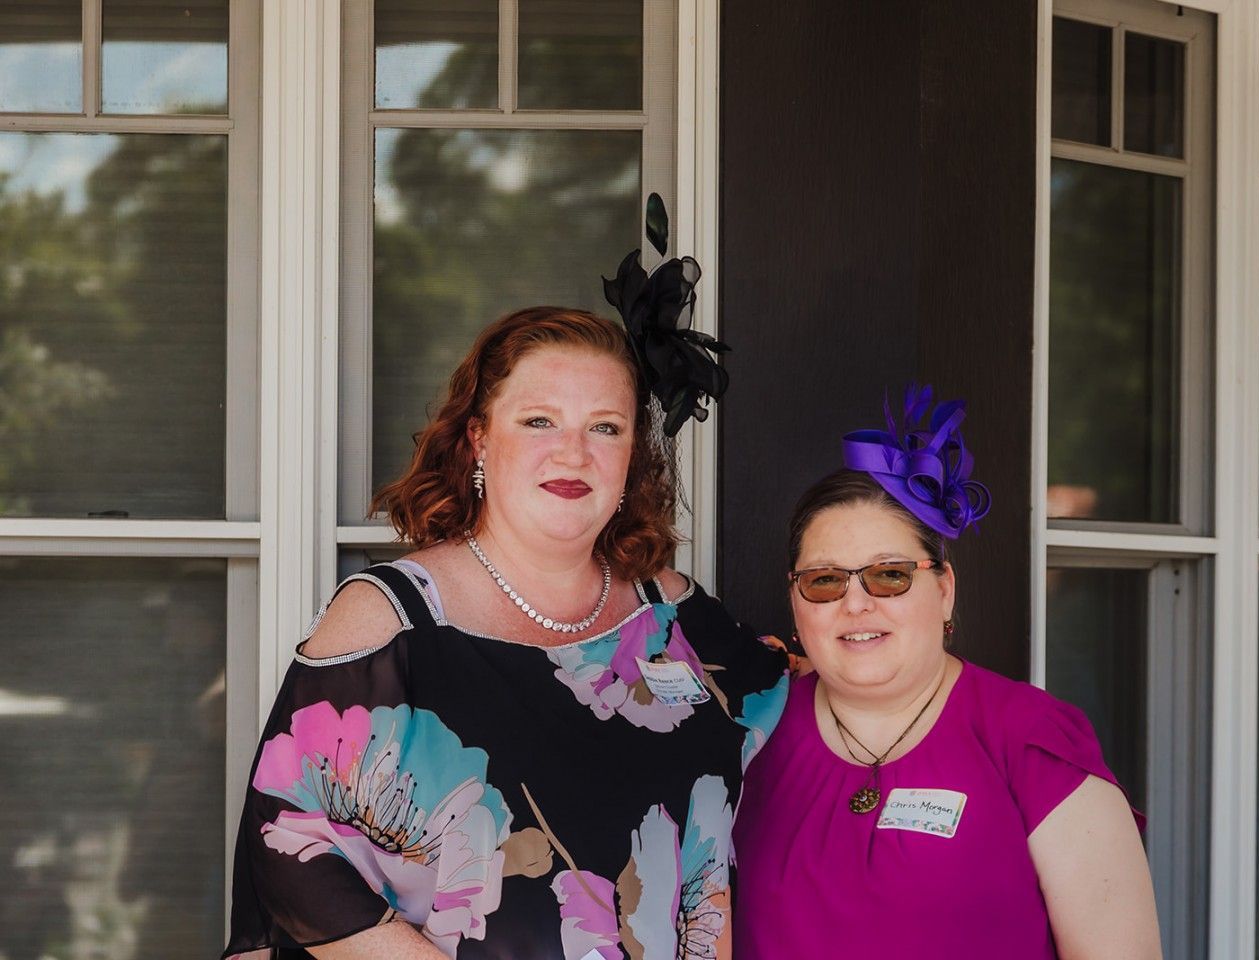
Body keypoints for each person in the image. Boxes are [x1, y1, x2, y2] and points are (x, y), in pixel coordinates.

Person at [223, 204, 790, 959]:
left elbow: (806, 715)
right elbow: (290, 855)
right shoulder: (392, 621)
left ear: (632, 458)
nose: (574, 452)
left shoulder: (673, 613)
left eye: (605, 426)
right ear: (478, 438)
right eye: (539, 421)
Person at [733, 385, 1160, 959]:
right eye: (825, 580)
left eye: (889, 576)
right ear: (796, 601)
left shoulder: (1031, 740)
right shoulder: (750, 735)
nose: (856, 604)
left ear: (945, 589)